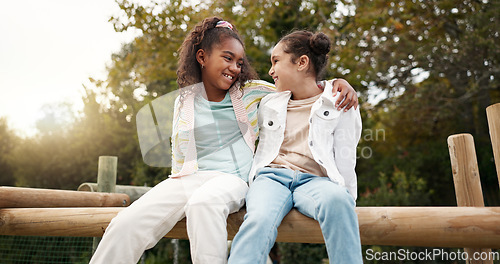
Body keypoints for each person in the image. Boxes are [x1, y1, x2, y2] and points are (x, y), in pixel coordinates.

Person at [89, 17, 358, 264]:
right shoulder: (185, 101)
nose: (235, 67)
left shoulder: (253, 92)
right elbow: (179, 156)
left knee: (203, 204)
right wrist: (173, 190)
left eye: (239, 62)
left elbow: (301, 87)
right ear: (202, 57)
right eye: (228, 58)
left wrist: (338, 83)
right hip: (188, 178)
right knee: (125, 223)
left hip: (233, 179)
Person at [228, 30, 363, 264]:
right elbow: (237, 91)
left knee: (338, 201)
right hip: (271, 178)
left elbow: (346, 154)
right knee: (258, 220)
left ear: (302, 62)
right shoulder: (269, 101)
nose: (270, 70)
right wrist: (338, 81)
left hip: (316, 181)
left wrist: (346, 197)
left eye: (276, 61)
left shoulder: (340, 102)